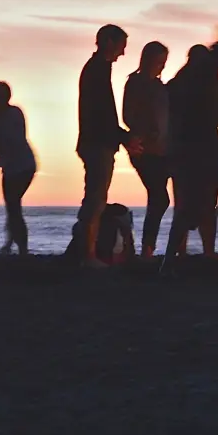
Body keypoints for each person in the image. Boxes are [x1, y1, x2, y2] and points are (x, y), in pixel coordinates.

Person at [161, 25, 218, 272]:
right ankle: (171, 260)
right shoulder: (205, 72)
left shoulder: (196, 72)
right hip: (196, 148)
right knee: (193, 205)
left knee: (193, 205)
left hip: (190, 146)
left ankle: (174, 259)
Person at [75, 25, 142, 268]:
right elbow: (102, 114)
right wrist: (124, 137)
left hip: (97, 142)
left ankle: (86, 252)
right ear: (108, 42)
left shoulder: (98, 69)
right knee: (96, 200)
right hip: (97, 143)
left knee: (95, 198)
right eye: (121, 47)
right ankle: (88, 256)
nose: (122, 53)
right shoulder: (96, 70)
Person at [123, 41, 170, 258]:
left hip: (162, 149)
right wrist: (146, 132)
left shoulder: (160, 87)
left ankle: (149, 248)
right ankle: (147, 249)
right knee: (159, 197)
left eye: (163, 62)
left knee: (159, 197)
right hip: (144, 149)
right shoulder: (136, 83)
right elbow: (128, 115)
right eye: (158, 62)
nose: (161, 66)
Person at [0, 81, 37, 256]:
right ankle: (11, 244)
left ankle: (21, 248)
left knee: (13, 206)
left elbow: (14, 141)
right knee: (13, 206)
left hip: (22, 165)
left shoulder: (12, 114)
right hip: (13, 166)